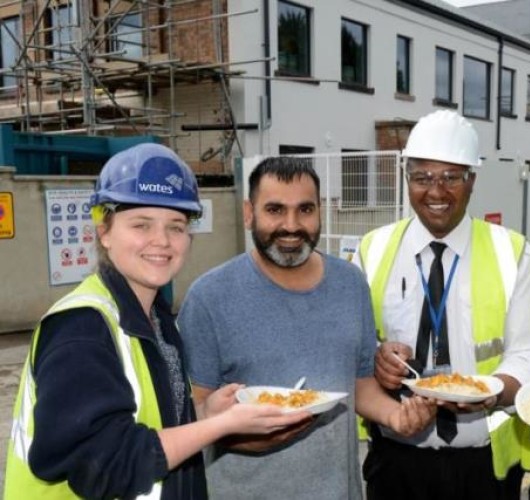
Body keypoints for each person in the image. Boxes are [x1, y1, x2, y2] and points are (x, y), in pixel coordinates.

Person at [4, 143, 309, 499]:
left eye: (176, 227)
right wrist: (223, 425)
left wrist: (204, 411)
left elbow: (143, 422)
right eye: (141, 224)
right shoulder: (82, 329)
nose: (161, 241)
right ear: (104, 231)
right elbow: (106, 465)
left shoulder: (157, 320)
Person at [176, 156, 435, 500]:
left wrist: (398, 418)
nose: (291, 225)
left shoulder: (350, 283)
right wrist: (251, 436)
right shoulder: (209, 297)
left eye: (305, 210)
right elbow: (195, 414)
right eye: (275, 210)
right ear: (248, 213)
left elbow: (358, 384)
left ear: (320, 212)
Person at [354, 109, 530, 500]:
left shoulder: (515, 253)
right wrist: (376, 356)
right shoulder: (372, 251)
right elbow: (352, 349)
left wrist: (492, 391)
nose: (435, 192)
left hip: (483, 468)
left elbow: (526, 355)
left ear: (472, 180)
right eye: (422, 177)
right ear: (408, 180)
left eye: (450, 177)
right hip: (395, 462)